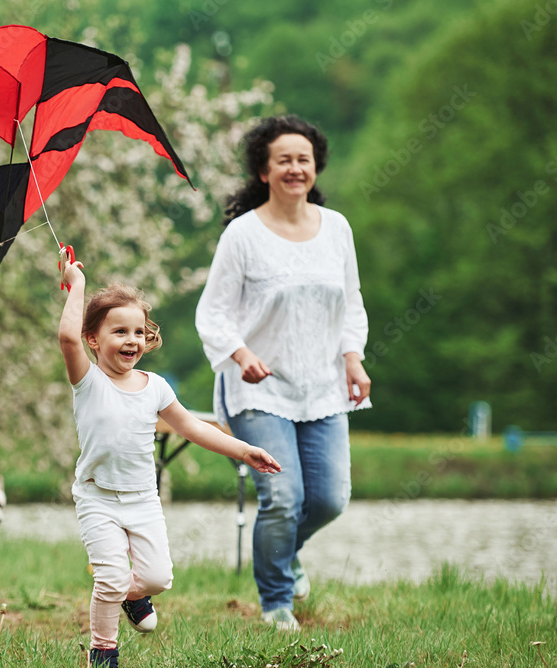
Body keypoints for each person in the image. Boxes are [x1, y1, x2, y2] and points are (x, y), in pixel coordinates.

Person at [59, 252, 281, 667]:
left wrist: (243, 449)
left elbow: (194, 428)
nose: (131, 341)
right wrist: (77, 283)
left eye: (139, 332)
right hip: (97, 498)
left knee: (158, 577)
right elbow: (67, 339)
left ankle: (135, 595)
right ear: (94, 339)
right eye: (119, 331)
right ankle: (103, 649)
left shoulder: (155, 387)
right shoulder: (87, 381)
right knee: (108, 577)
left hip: (143, 498)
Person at [195, 115, 372, 632]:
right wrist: (240, 353)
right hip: (258, 390)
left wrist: (353, 357)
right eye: (284, 160)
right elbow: (213, 313)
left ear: (315, 167)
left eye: (304, 159)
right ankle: (276, 602)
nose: (296, 168)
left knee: (329, 498)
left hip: (323, 386)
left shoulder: (336, 228)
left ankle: (285, 555)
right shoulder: (243, 235)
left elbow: (352, 305)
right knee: (282, 495)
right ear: (264, 170)